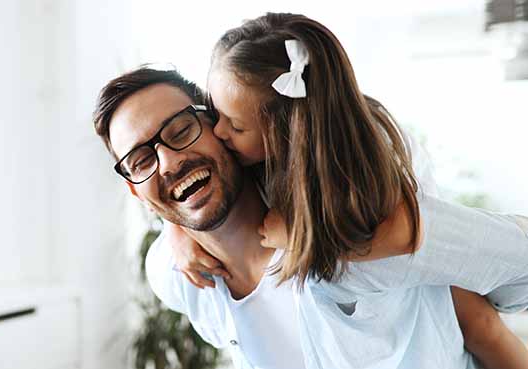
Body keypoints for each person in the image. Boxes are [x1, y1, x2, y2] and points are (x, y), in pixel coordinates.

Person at [165, 12, 528, 369]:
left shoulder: (372, 190)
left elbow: (411, 241)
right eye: (215, 112)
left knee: (477, 321)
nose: (219, 132)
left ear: (285, 132)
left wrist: (303, 236)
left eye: (237, 126)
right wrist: (176, 228)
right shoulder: (266, 150)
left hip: (434, 294)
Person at [92, 66, 495, 369]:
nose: (168, 163)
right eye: (141, 159)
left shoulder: (349, 227)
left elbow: (476, 312)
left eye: (180, 130)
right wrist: (174, 223)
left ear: (222, 127)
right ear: (134, 190)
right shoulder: (176, 278)